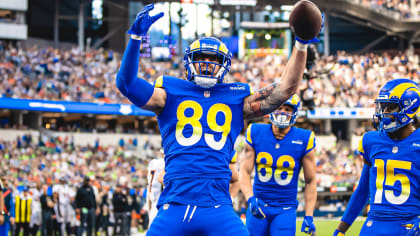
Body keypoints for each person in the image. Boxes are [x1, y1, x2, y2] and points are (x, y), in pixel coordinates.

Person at [116, 3, 312, 235]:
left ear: (225, 64)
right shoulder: (168, 93)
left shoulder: (236, 98)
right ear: (189, 61)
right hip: (175, 204)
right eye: (201, 58)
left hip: (218, 206)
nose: (207, 65)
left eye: (214, 60)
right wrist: (136, 37)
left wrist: (301, 43)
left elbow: (285, 89)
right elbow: (126, 84)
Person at [333, 78, 420, 236]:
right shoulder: (371, 140)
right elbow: (362, 190)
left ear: (410, 107)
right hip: (374, 223)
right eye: (383, 107)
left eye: (391, 107)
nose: (384, 113)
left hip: (408, 224)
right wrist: (340, 230)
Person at [239, 95, 317, 236]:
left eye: (287, 109)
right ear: (271, 109)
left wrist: (309, 215)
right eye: (279, 107)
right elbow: (244, 171)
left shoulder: (304, 138)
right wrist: (250, 199)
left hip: (285, 209)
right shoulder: (256, 131)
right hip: (259, 204)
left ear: (294, 113)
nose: (282, 112)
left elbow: (310, 181)